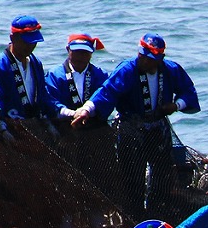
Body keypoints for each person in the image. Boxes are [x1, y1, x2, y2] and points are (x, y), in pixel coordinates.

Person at [72, 32, 200, 215]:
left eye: (150, 59)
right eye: (142, 56)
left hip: (158, 128)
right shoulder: (127, 70)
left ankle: (159, 212)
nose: (145, 61)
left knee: (163, 174)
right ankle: (134, 217)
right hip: (131, 130)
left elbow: (189, 92)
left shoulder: (171, 70)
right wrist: (86, 110)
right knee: (132, 178)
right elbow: (107, 92)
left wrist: (175, 105)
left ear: (160, 59)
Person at [0, 15, 62, 123]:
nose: (30, 46)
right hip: (12, 124)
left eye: (34, 42)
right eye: (26, 42)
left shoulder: (35, 63)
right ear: (12, 38)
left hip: (35, 123)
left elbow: (43, 96)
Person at [46, 33, 110, 119]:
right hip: (62, 123)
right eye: (76, 52)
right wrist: (72, 114)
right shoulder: (55, 75)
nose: (80, 56)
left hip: (93, 122)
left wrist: (87, 112)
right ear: (68, 50)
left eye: (85, 52)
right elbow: (50, 102)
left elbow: (106, 101)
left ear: (91, 52)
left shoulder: (100, 75)